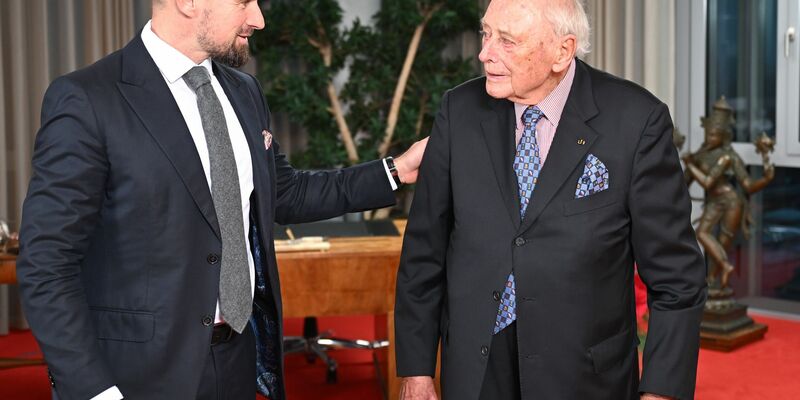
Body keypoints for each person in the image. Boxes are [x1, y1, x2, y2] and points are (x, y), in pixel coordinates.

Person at [16, 1, 426, 399]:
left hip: (237, 356)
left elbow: (285, 192)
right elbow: (46, 264)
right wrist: (93, 391)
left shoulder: (244, 91)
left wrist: (399, 170)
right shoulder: (87, 98)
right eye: (244, 1)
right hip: (134, 375)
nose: (259, 19)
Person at [393, 0, 707, 399]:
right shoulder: (459, 111)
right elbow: (424, 252)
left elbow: (677, 279)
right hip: (475, 370)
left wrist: (661, 392)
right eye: (487, 33)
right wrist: (417, 372)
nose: (485, 53)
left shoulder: (637, 120)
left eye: (508, 41)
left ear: (562, 51)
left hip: (584, 376)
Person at [682, 97, 774, 290]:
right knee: (703, 234)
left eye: (715, 135)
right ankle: (725, 268)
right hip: (714, 202)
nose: (710, 138)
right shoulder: (700, 155)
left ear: (724, 136)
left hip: (732, 201)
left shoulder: (727, 157)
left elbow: (745, 185)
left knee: (723, 243)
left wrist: (765, 178)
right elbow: (683, 184)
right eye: (708, 134)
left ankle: (715, 281)